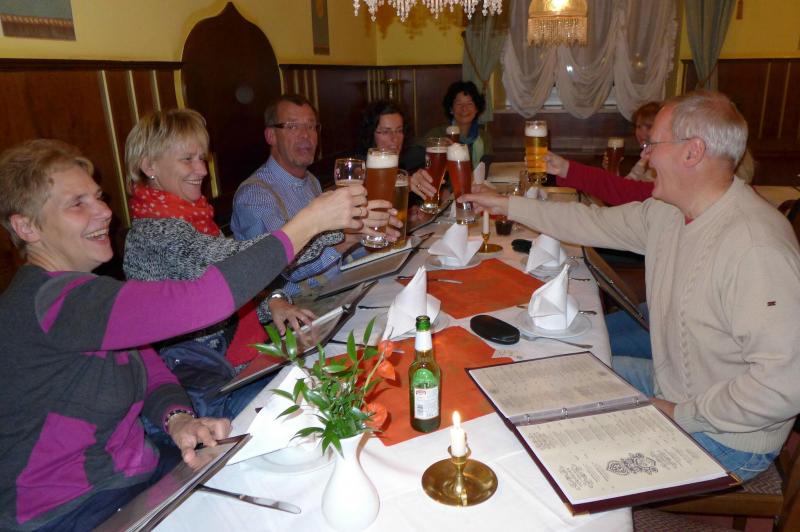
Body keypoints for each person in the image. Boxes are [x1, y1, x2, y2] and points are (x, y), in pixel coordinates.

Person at [0, 139, 366, 530]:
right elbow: (207, 300)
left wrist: (177, 418)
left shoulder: (85, 292)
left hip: (138, 477)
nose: (104, 211)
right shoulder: (51, 301)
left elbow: (146, 365)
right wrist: (309, 222)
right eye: (78, 204)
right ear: (26, 226)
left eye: (99, 197)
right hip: (69, 512)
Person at [464, 90, 800, 482]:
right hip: (675, 390)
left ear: (692, 152)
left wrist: (679, 413)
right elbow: (589, 223)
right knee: (551, 373)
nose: (646, 157)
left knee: (561, 457)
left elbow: (783, 386)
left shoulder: (754, 247)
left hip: (727, 438)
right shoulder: (669, 213)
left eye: (653, 145)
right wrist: (505, 205)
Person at [123, 108, 346, 418]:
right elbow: (236, 264)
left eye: (202, 158)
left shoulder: (192, 217)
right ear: (149, 166)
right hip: (210, 385)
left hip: (245, 359)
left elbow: (233, 282)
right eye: (188, 159)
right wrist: (320, 227)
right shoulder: (153, 234)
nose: (202, 170)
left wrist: (274, 301)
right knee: (323, 403)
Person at [231, 94, 398, 297]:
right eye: (293, 126)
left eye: (311, 126)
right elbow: (282, 270)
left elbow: (334, 256)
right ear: (271, 136)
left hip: (335, 288)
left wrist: (377, 236)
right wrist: (348, 239)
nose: (306, 135)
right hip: (297, 305)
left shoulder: (311, 181)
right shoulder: (255, 196)